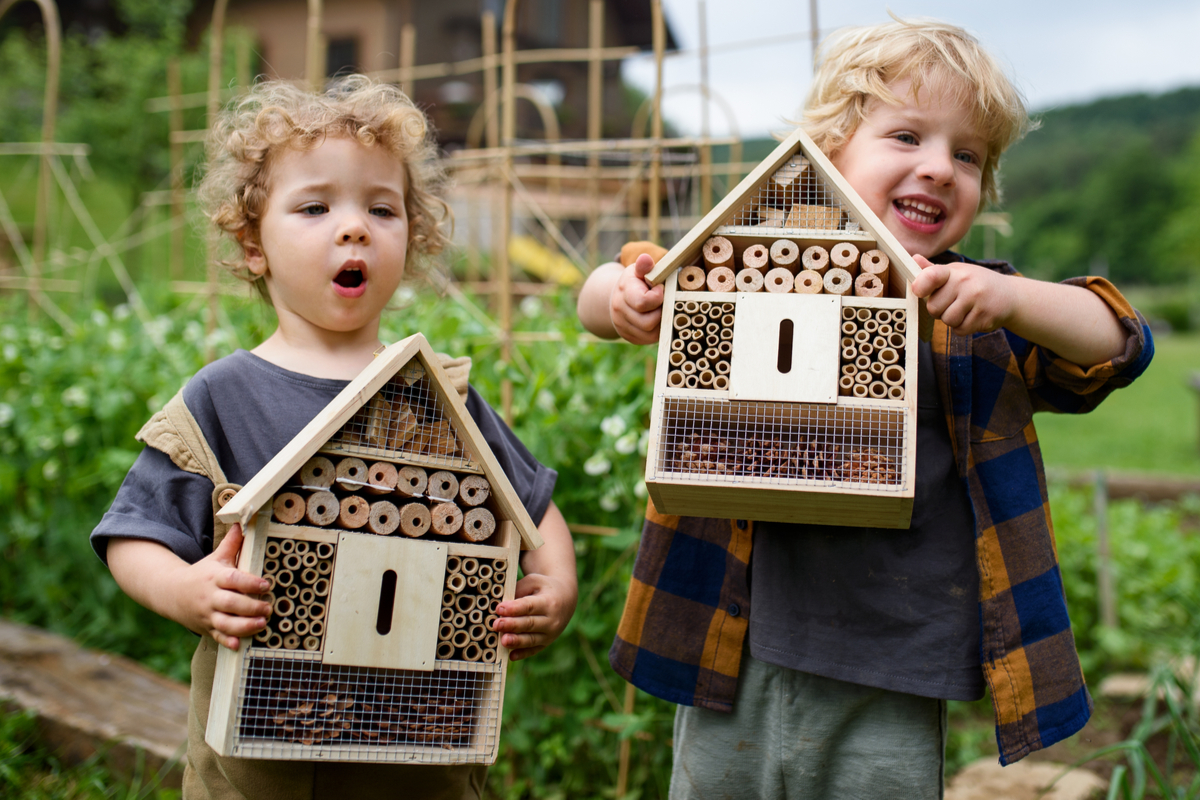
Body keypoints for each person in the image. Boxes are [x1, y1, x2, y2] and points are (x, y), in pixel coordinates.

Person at [577, 18, 1153, 799]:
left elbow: (1119, 341)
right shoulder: (761, 260)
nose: (939, 168)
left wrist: (1011, 297)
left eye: (967, 155)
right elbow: (621, 280)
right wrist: (622, 302)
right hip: (735, 641)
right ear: (831, 147)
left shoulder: (971, 309)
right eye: (907, 136)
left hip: (895, 662)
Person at [91, 76, 577, 800]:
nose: (353, 227)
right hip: (260, 767)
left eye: (381, 209)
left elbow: (532, 510)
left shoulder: (435, 394)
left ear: (412, 239)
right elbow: (135, 534)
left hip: (420, 745)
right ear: (254, 245)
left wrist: (556, 586)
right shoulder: (224, 396)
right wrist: (187, 590)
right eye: (316, 207)